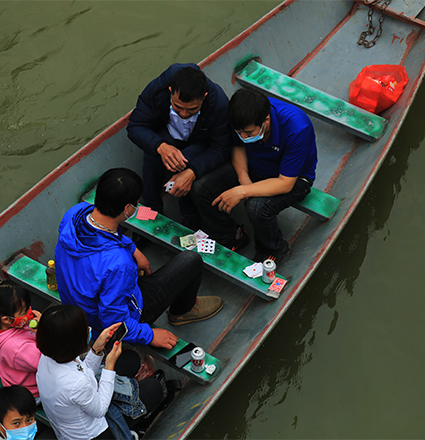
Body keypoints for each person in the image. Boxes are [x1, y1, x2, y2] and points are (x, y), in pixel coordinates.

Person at [54, 168, 223, 350]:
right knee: (191, 260)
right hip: (103, 323)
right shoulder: (119, 265)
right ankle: (183, 311)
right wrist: (149, 335)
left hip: (77, 305)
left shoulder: (75, 214)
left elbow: (102, 234)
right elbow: (112, 320)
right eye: (135, 204)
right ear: (127, 208)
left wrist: (131, 247)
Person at [191, 88, 318, 264]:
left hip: (293, 179)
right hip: (253, 168)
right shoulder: (240, 117)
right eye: (239, 132)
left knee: (256, 208)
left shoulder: (296, 128)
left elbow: (285, 183)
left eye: (249, 133)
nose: (243, 137)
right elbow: (238, 147)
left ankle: (273, 248)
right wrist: (243, 179)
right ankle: (231, 236)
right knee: (201, 188)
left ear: (266, 120)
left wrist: (243, 191)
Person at [36, 304, 164, 440]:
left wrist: (97, 349)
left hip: (77, 411)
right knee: (154, 389)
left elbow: (83, 370)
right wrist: (109, 365)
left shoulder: (48, 357)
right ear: (74, 343)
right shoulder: (76, 383)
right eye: (85, 329)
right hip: (96, 434)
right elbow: (101, 409)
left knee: (130, 359)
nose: (89, 330)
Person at [126, 63, 231, 228]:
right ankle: (151, 210)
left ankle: (190, 216)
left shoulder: (219, 103)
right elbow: (135, 126)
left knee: (185, 161)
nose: (183, 114)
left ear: (204, 96)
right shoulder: (157, 90)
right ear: (170, 91)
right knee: (152, 154)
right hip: (168, 135)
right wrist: (160, 146)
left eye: (192, 110)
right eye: (178, 107)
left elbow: (221, 148)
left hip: (200, 142)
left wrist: (192, 172)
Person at [0, 280, 42, 400]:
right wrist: (43, 332)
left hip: (13, 372)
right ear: (6, 319)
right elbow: (46, 362)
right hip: (32, 390)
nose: (30, 312)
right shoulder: (16, 348)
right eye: (24, 311)